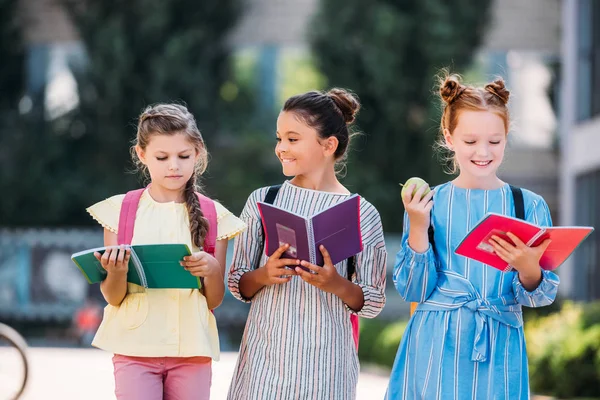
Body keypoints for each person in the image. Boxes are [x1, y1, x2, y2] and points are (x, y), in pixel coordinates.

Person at [385, 74, 560, 399]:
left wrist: (528, 267)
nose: (483, 151)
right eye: (470, 141)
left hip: (500, 342)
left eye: (494, 141)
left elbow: (541, 296)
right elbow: (413, 289)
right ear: (449, 137)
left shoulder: (528, 206)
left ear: (506, 138)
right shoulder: (428, 203)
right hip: (435, 344)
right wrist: (419, 226)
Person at [227, 89, 388, 399]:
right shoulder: (263, 200)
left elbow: (373, 301)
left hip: (327, 371)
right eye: (279, 138)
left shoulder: (361, 213)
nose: (281, 148)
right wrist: (264, 274)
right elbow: (238, 282)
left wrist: (336, 284)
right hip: (265, 365)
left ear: (328, 145)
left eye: (292, 138)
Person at [86, 103, 246, 400]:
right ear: (142, 155)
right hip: (135, 348)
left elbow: (214, 299)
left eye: (183, 156)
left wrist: (211, 269)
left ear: (198, 154)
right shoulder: (119, 211)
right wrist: (117, 272)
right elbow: (112, 297)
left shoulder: (215, 216)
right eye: (162, 157)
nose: (173, 165)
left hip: (192, 351)